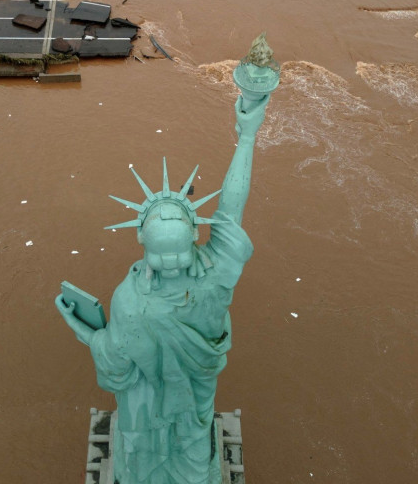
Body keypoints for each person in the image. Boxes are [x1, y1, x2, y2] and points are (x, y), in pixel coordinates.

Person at [56, 94, 270, 484]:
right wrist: (247, 137)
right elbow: (231, 211)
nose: (170, 265)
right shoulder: (214, 275)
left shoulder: (130, 300)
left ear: (140, 237)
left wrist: (86, 331)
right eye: (164, 256)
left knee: (139, 443)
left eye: (172, 255)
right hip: (193, 404)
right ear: (194, 231)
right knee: (191, 440)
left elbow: (116, 366)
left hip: (144, 415)